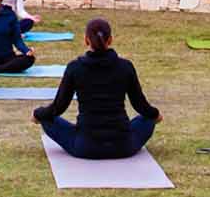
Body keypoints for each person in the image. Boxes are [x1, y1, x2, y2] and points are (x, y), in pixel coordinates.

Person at [33, 17, 161, 159]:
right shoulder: (125, 67)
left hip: (86, 147)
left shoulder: (75, 68)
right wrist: (155, 115)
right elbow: (140, 105)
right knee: (147, 118)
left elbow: (58, 107)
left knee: (47, 118)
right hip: (123, 145)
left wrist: (38, 114)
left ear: (86, 40)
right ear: (110, 39)